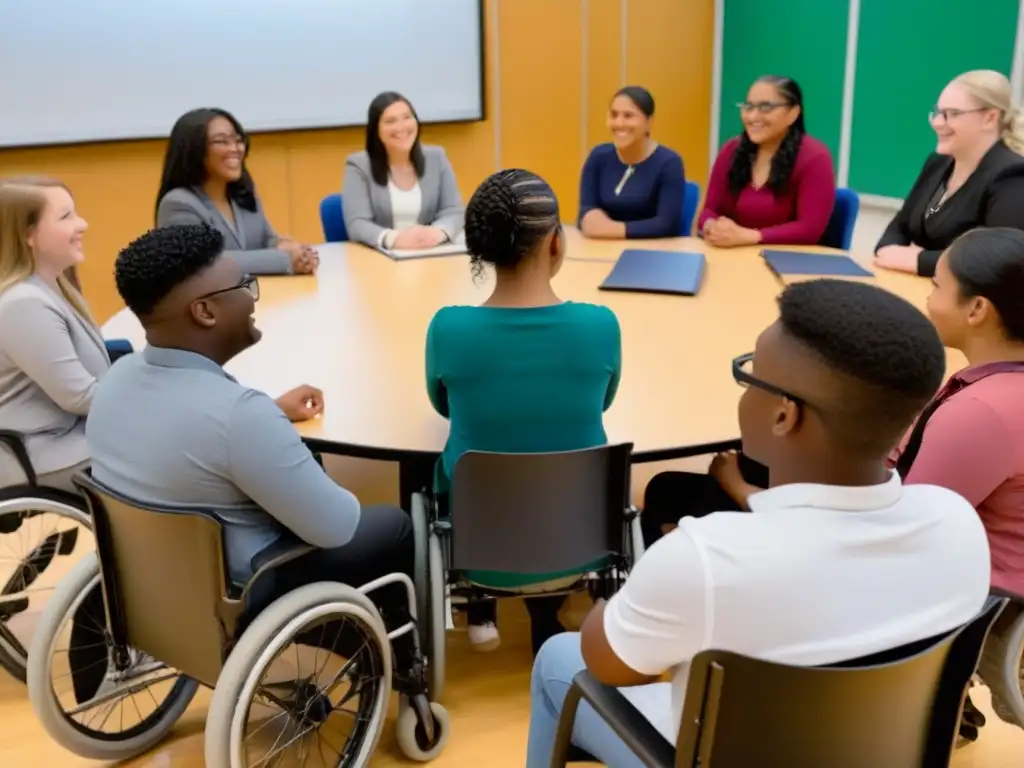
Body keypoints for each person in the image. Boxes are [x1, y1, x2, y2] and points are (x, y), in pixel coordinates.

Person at [525, 279, 991, 767]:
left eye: (749, 377)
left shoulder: (703, 557)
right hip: (876, 751)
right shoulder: (956, 524)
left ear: (783, 416)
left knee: (558, 656)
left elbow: (609, 663)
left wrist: (646, 596)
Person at [85, 223, 415, 669]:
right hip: (242, 591)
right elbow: (336, 528)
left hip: (151, 583)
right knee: (393, 524)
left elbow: (192, 437)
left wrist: (272, 416)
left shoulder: (116, 380)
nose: (252, 296)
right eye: (244, 285)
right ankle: (395, 659)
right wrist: (273, 431)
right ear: (204, 311)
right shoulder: (239, 415)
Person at [425, 169, 621, 654]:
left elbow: (442, 406)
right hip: (583, 537)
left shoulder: (449, 329)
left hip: (480, 544)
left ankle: (480, 607)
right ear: (555, 244)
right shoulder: (600, 326)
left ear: (481, 248)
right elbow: (605, 402)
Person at [0, 176, 110, 492]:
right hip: (47, 454)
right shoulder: (24, 304)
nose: (83, 224)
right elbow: (79, 396)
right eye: (66, 217)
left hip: (74, 437)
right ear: (28, 234)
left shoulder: (54, 286)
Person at [875, 70, 1024, 278]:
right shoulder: (938, 163)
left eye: (951, 114)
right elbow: (900, 226)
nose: (937, 122)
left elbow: (998, 260)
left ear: (990, 118)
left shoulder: (1012, 176)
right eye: (937, 112)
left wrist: (920, 260)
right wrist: (888, 252)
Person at [155, 108, 318, 276]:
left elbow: (268, 241)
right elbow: (204, 263)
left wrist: (298, 253)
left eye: (238, 141)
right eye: (222, 142)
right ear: (194, 150)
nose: (235, 149)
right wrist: (284, 260)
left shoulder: (243, 196)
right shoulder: (178, 204)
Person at [698, 75, 836, 247]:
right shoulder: (731, 149)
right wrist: (712, 227)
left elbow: (809, 230)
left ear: (793, 113)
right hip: (734, 257)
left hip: (788, 262)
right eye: (748, 107)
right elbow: (709, 211)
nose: (753, 116)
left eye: (765, 108)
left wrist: (750, 236)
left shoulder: (815, 157)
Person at [343, 92, 464, 249]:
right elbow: (357, 224)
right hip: (381, 259)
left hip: (431, 254)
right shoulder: (358, 165)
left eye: (407, 117)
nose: (401, 127)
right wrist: (395, 239)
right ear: (376, 130)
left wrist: (437, 233)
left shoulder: (437, 157)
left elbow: (453, 210)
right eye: (390, 121)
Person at [578, 86, 686, 239]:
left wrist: (609, 229)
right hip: (600, 250)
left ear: (649, 122)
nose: (619, 123)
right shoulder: (598, 157)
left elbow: (667, 224)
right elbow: (585, 212)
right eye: (614, 115)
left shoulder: (669, 163)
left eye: (628, 116)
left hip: (651, 253)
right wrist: (589, 218)